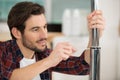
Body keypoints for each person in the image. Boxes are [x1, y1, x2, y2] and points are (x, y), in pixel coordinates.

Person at [0, 1, 105, 80]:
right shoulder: (2, 50)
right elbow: (7, 77)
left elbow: (82, 66)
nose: (44, 35)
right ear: (16, 33)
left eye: (44, 27)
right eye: (35, 29)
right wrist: (49, 61)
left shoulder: (43, 54)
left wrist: (93, 37)